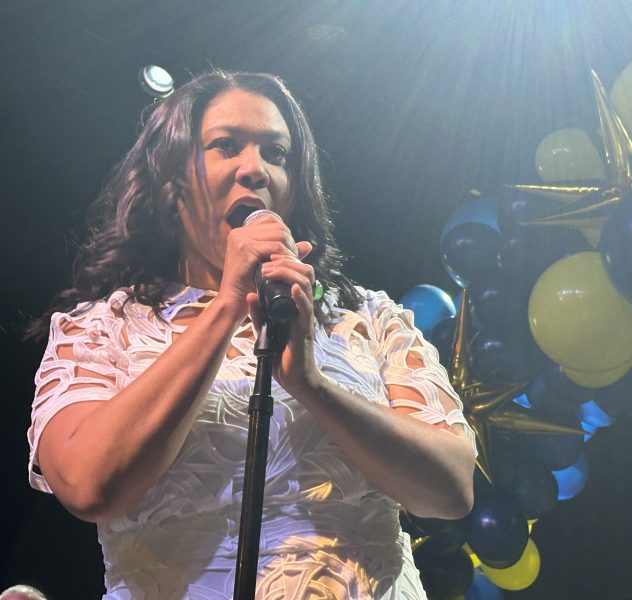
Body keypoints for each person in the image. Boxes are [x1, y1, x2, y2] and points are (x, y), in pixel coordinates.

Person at [26, 70, 476, 599]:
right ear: (172, 188)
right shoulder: (103, 325)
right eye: (226, 146)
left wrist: (311, 382)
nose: (256, 170)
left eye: (277, 153)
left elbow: (451, 490)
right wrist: (225, 310)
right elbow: (88, 484)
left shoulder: (369, 317)